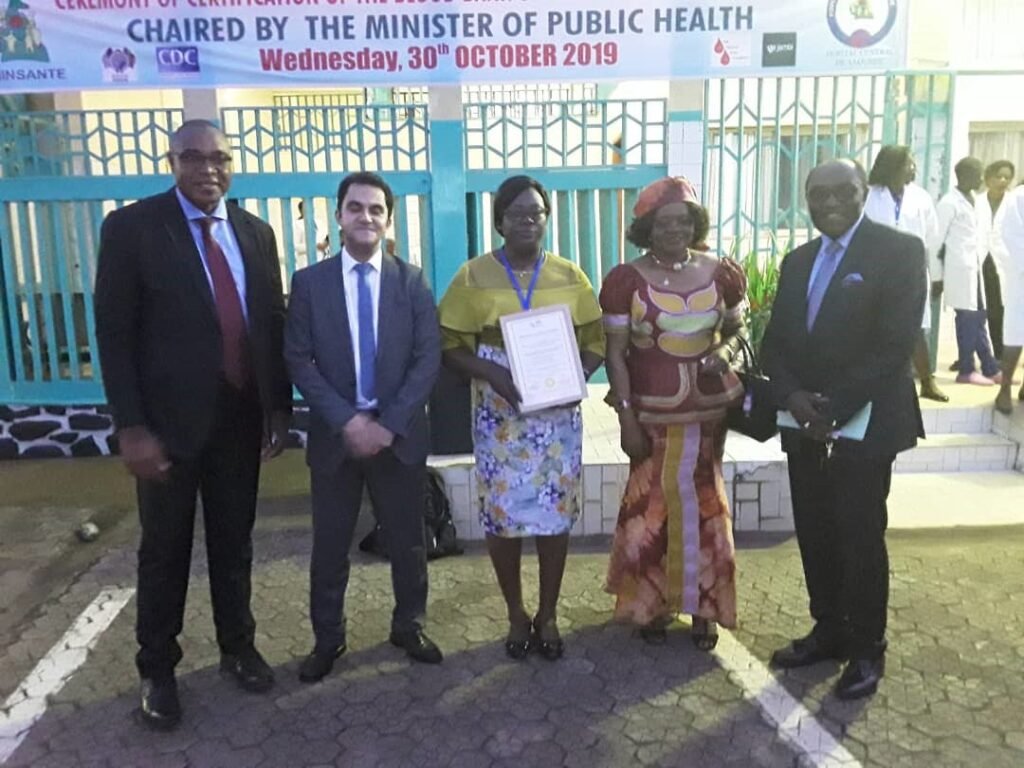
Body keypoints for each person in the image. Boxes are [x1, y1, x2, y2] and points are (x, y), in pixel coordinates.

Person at [94, 119, 292, 730]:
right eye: (194, 157)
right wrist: (130, 426)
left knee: (234, 543)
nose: (208, 168)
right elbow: (114, 334)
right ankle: (157, 668)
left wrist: (278, 408)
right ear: (172, 161)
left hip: (239, 418)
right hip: (166, 428)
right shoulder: (132, 228)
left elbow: (270, 321)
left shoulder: (255, 233)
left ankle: (238, 647)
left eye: (220, 158)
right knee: (165, 550)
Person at [762, 159, 925, 700]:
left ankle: (866, 648)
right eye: (818, 193)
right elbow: (775, 343)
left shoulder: (899, 251)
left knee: (860, 536)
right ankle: (829, 629)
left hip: (867, 422)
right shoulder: (798, 261)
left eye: (842, 191)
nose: (830, 202)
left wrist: (834, 406)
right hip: (804, 423)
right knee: (815, 529)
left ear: (863, 192)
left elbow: (895, 343)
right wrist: (792, 397)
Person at [438, 175, 605, 661]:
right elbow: (449, 345)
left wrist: (576, 376)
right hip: (500, 414)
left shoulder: (570, 276)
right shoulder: (472, 276)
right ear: (499, 222)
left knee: (554, 516)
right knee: (503, 516)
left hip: (555, 418)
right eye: (516, 214)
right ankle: (515, 612)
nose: (528, 222)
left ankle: (548, 614)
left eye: (536, 213)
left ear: (547, 219)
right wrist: (491, 371)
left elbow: (596, 340)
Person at [285, 172, 443, 681]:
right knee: (330, 546)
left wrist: (387, 425)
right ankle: (328, 638)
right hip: (337, 440)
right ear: (339, 216)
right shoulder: (309, 284)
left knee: (408, 541)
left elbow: (428, 359)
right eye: (355, 207)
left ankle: (409, 625)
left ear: (388, 220)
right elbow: (299, 359)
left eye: (376, 209)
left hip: (398, 438)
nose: (366, 217)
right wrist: (348, 421)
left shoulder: (411, 281)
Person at [600, 176, 745, 651]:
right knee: (651, 511)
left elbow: (738, 333)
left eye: (683, 221)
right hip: (651, 417)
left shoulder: (721, 273)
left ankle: (706, 609)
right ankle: (651, 607)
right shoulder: (625, 280)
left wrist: (724, 354)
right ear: (646, 228)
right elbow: (615, 353)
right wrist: (625, 418)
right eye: (663, 223)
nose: (674, 230)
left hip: (707, 416)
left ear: (695, 223)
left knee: (706, 509)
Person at [863, 145, 947, 402]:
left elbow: (932, 238)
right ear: (893, 167)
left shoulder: (921, 198)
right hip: (877, 272)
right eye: (908, 163)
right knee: (875, 328)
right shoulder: (869, 196)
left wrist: (936, 276)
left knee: (916, 329)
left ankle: (927, 382)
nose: (914, 168)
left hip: (912, 272)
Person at [935, 157, 1001, 385]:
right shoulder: (948, 203)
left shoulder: (976, 200)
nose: (981, 179)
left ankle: (990, 368)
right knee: (967, 319)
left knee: (979, 317)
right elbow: (937, 241)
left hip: (975, 267)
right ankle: (966, 369)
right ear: (964, 176)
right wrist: (937, 277)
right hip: (959, 269)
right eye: (978, 174)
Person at [976, 160, 1015, 360]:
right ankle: (972, 352)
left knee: (1002, 310)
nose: (1003, 181)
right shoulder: (977, 201)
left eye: (1007, 177)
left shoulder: (1015, 203)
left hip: (1006, 261)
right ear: (988, 178)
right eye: (998, 176)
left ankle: (1000, 354)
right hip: (981, 259)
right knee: (978, 310)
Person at [995, 183, 1024, 413]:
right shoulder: (1018, 197)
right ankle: (1004, 388)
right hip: (1021, 276)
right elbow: (1010, 235)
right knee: (1016, 333)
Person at [293, 199, 330, 267]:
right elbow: (296, 246)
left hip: (323, 259)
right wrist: (314, 246)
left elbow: (326, 236)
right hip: (306, 261)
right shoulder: (297, 224)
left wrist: (325, 244)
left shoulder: (319, 222)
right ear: (301, 211)